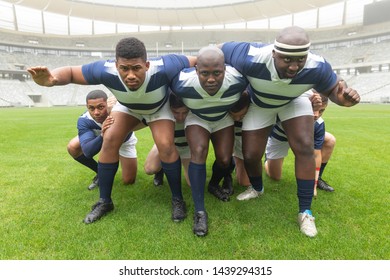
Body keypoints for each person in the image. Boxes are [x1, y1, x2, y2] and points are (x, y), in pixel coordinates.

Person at [27, 37, 196, 225]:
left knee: (165, 144)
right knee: (109, 138)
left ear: (147, 65)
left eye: (136, 68)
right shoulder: (105, 70)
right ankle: (104, 201)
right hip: (127, 107)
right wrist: (53, 79)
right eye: (124, 68)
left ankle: (177, 199)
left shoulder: (165, 65)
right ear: (116, 66)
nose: (130, 75)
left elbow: (197, 61)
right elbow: (72, 72)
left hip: (158, 108)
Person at [220, 26, 360, 237]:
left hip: (294, 100)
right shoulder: (250, 55)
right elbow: (219, 49)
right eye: (287, 60)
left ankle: (305, 211)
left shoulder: (317, 65)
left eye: (300, 60)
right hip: (260, 103)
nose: (294, 67)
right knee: (250, 155)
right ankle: (257, 188)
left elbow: (335, 90)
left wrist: (344, 99)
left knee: (305, 146)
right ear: (274, 53)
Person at [171, 46, 248, 236]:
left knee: (224, 159)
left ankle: (214, 183)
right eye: (204, 73)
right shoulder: (181, 82)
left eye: (217, 73)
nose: (211, 79)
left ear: (226, 69)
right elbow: (161, 86)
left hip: (223, 118)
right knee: (198, 150)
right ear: (196, 70)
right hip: (197, 118)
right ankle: (199, 211)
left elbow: (254, 87)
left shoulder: (238, 79)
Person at [264, 91, 335, 197]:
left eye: (321, 111)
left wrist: (313, 186)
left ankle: (317, 178)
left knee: (330, 140)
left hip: (304, 137)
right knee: (275, 176)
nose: (316, 114)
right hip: (280, 138)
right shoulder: (287, 111)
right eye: (313, 108)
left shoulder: (319, 123)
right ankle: (267, 160)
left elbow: (315, 154)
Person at [67, 90, 137, 190]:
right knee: (72, 147)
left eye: (101, 107)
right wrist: (102, 135)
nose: (96, 113)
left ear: (107, 104)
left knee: (128, 180)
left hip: (124, 140)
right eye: (91, 108)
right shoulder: (85, 120)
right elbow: (88, 151)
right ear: (87, 107)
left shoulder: (117, 112)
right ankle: (100, 173)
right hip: (99, 137)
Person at [144, 92, 191, 187]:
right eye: (176, 112)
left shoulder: (195, 115)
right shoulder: (164, 117)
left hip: (187, 148)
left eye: (184, 112)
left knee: (193, 184)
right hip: (167, 145)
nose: (180, 117)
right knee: (150, 169)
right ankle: (161, 169)